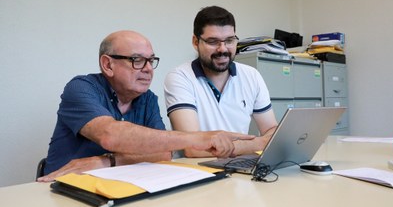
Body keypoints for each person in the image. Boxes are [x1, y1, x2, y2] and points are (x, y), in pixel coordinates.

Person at [38, 30, 254, 182]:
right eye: (137, 60)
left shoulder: (147, 98)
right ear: (107, 64)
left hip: (116, 188)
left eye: (151, 61)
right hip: (61, 188)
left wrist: (106, 162)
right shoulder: (81, 88)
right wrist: (199, 137)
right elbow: (110, 135)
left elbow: (163, 153)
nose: (149, 69)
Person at [164, 6, 278, 158]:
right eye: (213, 41)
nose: (222, 49)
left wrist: (241, 146)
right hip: (198, 172)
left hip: (239, 169)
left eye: (229, 40)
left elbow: (271, 130)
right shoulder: (180, 78)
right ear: (195, 42)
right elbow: (192, 148)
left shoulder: (252, 76)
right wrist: (257, 143)